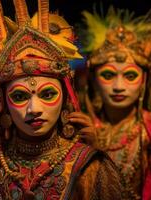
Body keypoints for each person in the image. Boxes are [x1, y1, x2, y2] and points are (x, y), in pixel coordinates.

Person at [0, 0, 123, 199]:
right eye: (19, 96)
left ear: (65, 98)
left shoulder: (88, 166)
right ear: (3, 106)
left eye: (47, 94)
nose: (34, 108)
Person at [78, 7, 151, 199]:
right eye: (108, 75)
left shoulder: (148, 131)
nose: (118, 86)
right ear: (93, 80)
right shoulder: (81, 129)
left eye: (130, 75)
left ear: (144, 81)